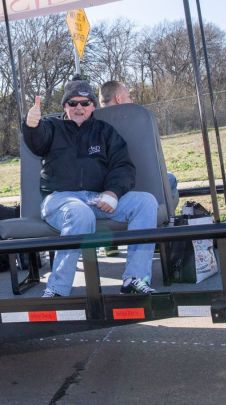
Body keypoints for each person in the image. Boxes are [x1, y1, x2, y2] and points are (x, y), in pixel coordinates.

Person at [23, 78, 159, 297]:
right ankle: (57, 289)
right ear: (65, 106)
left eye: (85, 103)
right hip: (60, 199)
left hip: (96, 198)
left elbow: (123, 166)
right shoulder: (51, 128)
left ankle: (135, 278)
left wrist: (113, 193)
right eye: (73, 103)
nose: (79, 108)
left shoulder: (105, 132)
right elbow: (36, 141)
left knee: (145, 202)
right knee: (79, 213)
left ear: (93, 106)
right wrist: (31, 124)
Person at [99, 80, 179, 205]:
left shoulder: (93, 123)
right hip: (146, 187)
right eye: (129, 96)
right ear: (118, 99)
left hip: (107, 190)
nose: (131, 100)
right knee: (171, 178)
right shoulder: (139, 118)